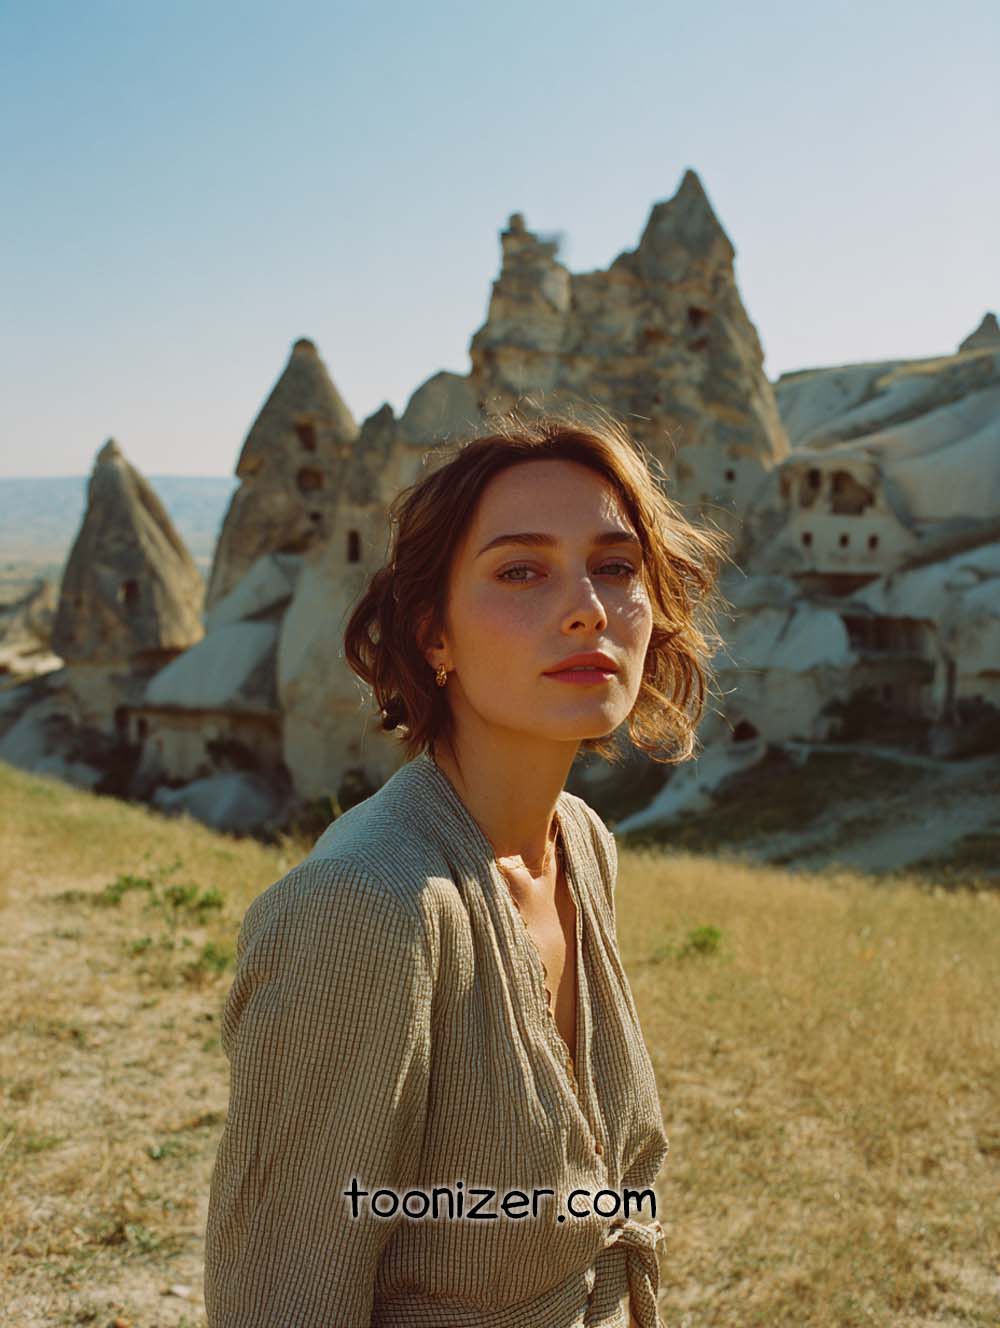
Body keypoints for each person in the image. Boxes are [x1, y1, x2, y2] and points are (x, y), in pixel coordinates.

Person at [203, 408, 727, 1326]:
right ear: (432, 634)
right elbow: (280, 1295)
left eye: (616, 567)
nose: (587, 608)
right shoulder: (366, 908)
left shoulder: (580, 844)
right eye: (520, 571)